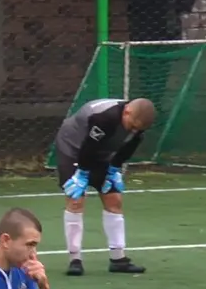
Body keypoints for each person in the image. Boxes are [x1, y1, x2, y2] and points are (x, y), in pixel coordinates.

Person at [53, 98, 155, 276]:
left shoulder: (137, 124)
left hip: (100, 148)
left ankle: (118, 259)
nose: (133, 131)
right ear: (127, 112)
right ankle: (75, 259)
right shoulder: (105, 118)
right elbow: (89, 147)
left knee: (113, 199)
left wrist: (114, 169)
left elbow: (127, 148)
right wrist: (82, 174)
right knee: (76, 200)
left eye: (138, 129)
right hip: (74, 146)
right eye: (132, 126)